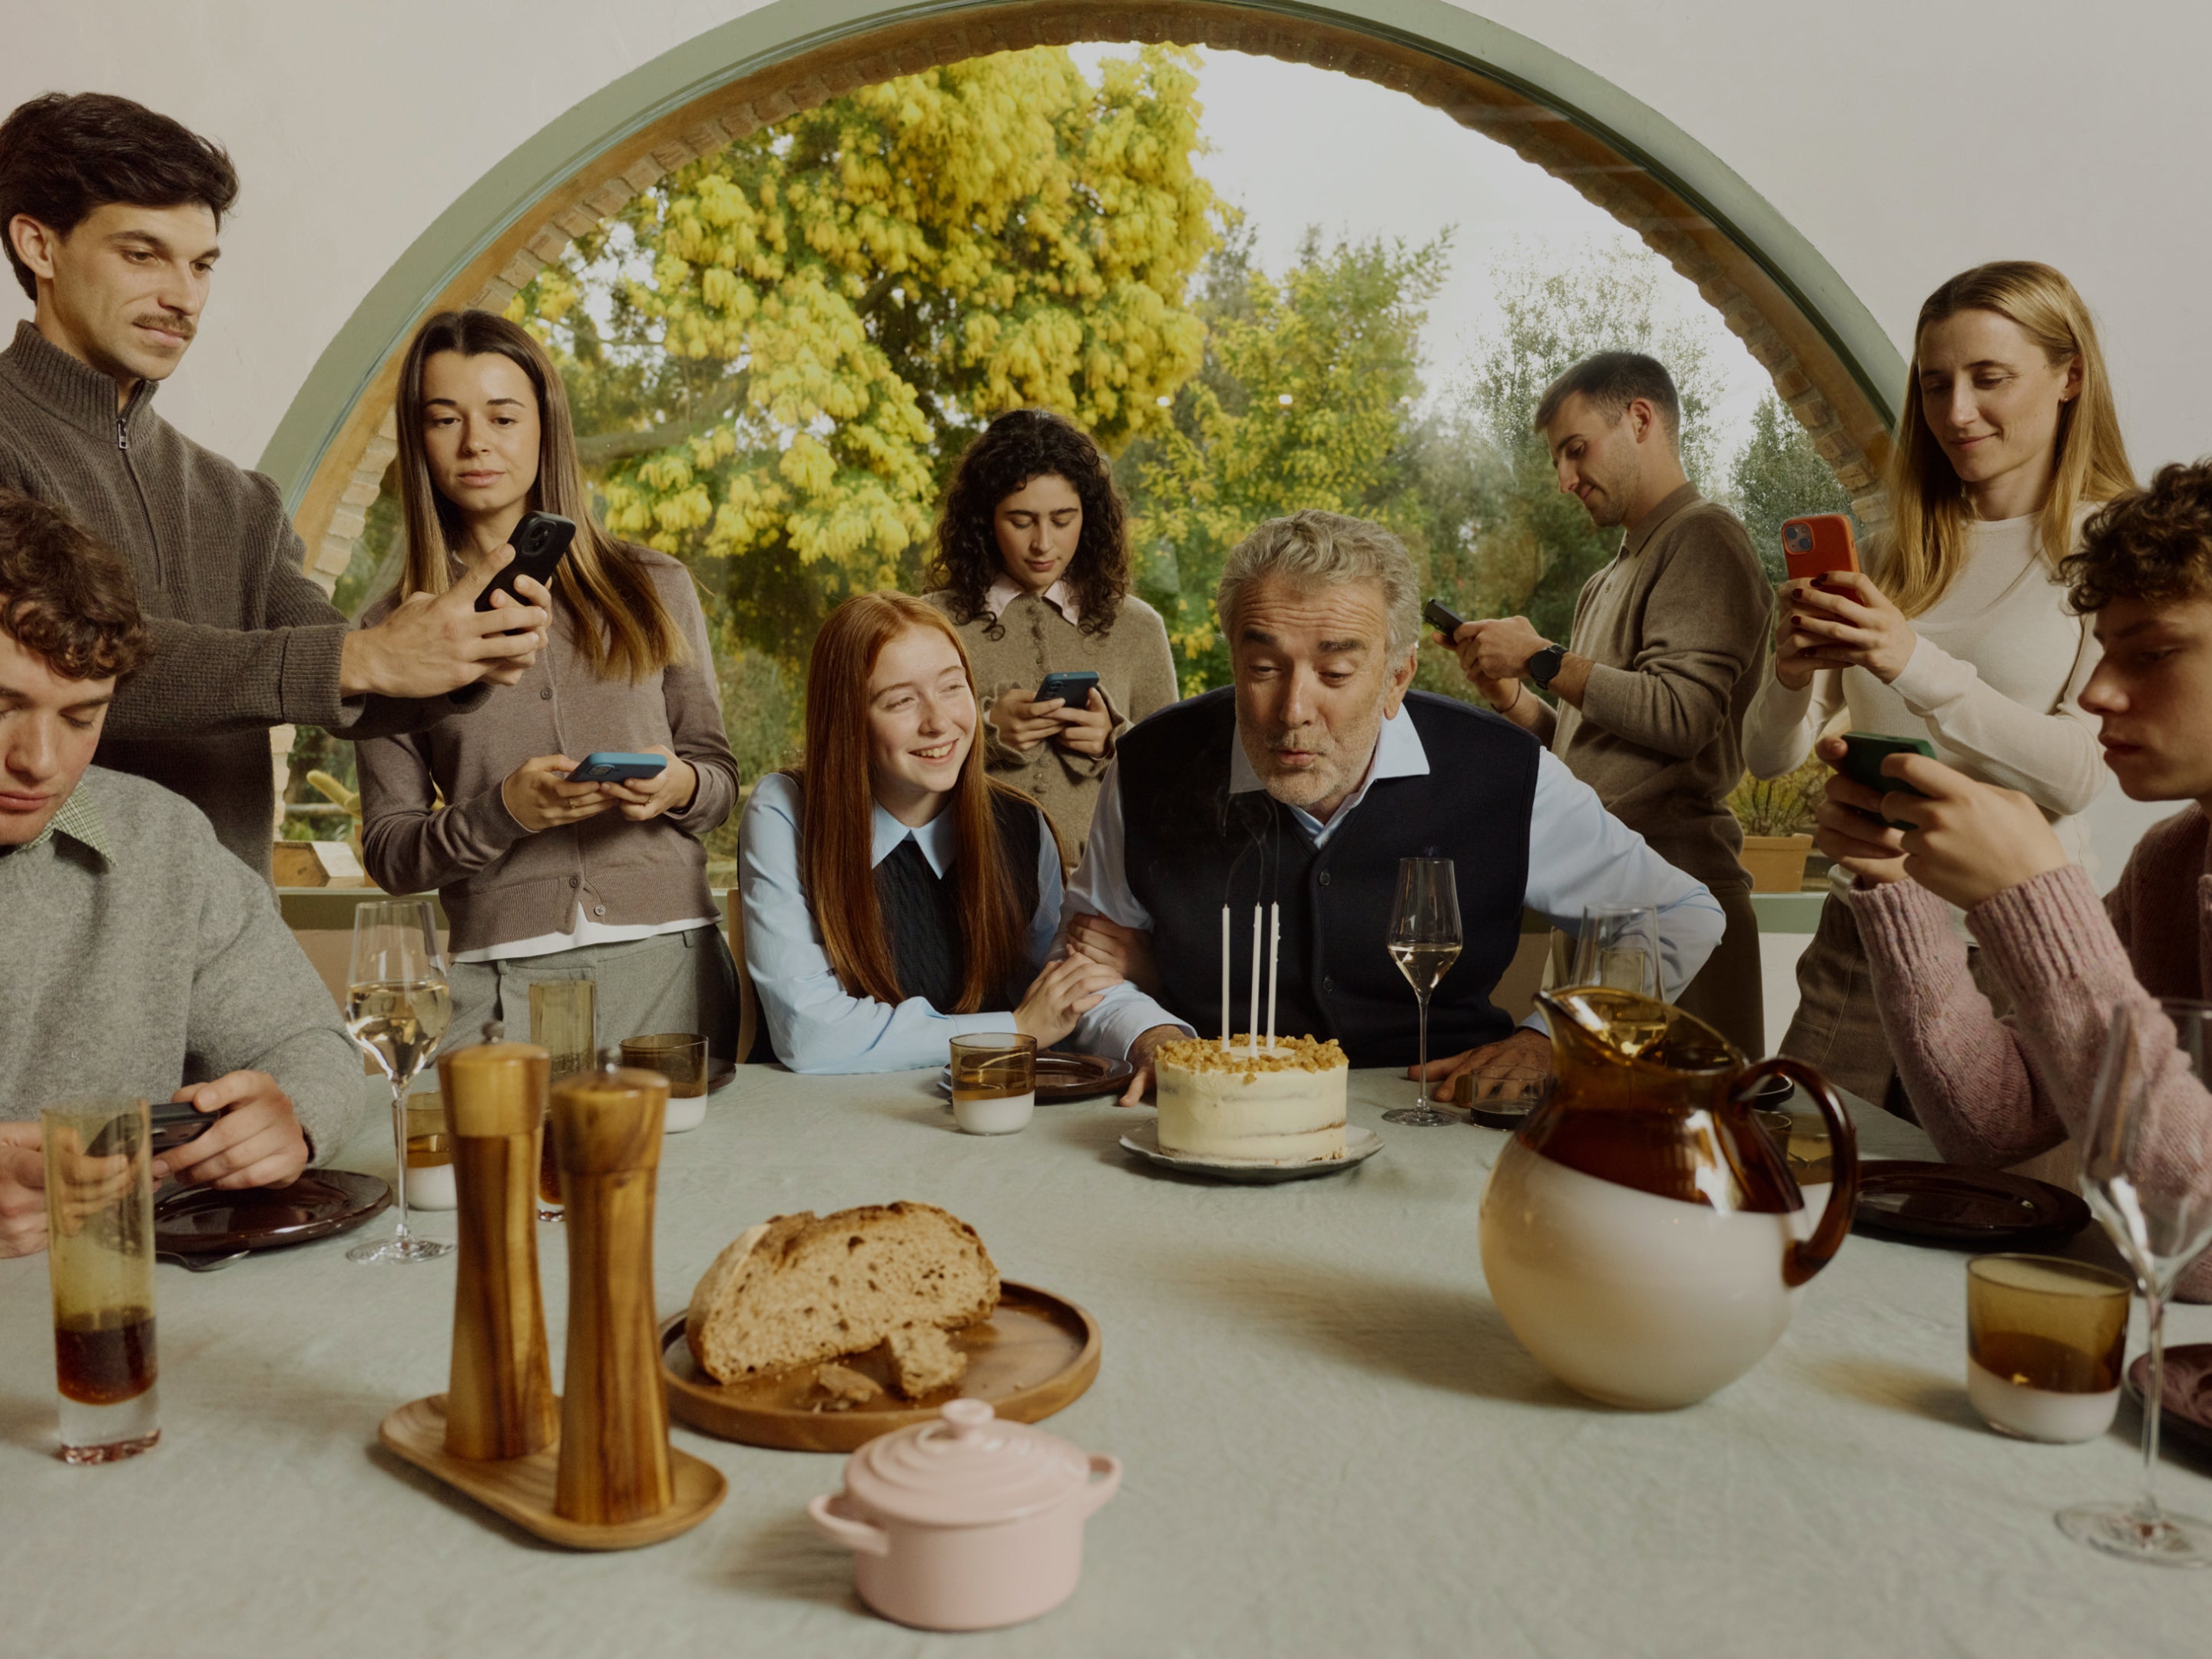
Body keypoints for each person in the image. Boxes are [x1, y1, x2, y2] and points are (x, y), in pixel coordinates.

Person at [0, 92, 551, 877]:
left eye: (201, 265)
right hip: (43, 925)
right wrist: (360, 659)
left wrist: (459, 649)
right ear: (39, 247)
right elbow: (59, 661)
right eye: (142, 255)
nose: (183, 297)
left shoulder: (238, 500)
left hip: (227, 925)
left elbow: (351, 679)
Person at [1062, 509, 1726, 1107]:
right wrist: (1151, 1036)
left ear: (1396, 677)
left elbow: (1681, 916)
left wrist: (1557, 1039)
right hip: (1215, 1112)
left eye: (1335, 674)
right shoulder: (1150, 765)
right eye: (1263, 668)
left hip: (1441, 1112)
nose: (1293, 711)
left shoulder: (1502, 769)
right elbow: (1084, 965)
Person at [1741, 260, 2131, 1108]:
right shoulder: (1892, 552)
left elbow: (2078, 775)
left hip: (2011, 950)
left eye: (1990, 379)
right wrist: (1790, 674)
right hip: (1858, 939)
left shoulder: (2114, 544)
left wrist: (1909, 659)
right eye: (1935, 384)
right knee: (1799, 1175)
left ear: (2069, 377)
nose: (1956, 412)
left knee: (1981, 1189)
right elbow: (1769, 759)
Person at [1819, 460, 2212, 1300]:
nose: (2098, 693)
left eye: (2153, 653)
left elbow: (2198, 1241)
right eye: (2106, 651)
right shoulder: (2171, 862)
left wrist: (2037, 901)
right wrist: (1898, 887)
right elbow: (1993, 1124)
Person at [354, 312, 741, 1055]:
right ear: (419, 438)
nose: (476, 442)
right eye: (445, 419)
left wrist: (678, 785)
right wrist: (503, 813)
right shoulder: (393, 634)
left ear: (545, 428)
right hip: (494, 987)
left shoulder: (655, 585)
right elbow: (390, 853)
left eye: (503, 417)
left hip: (669, 969)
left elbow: (719, 781)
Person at [0, 489, 363, 1257]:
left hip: (136, 1299)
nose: (39, 761)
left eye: (81, 717)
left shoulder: (163, 840)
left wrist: (291, 1119)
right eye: (2, 706)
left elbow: (309, 1042)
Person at [1444, 352, 1772, 1055]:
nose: (1565, 480)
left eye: (1576, 450)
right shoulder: (1606, 580)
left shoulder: (1705, 537)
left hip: (1681, 901)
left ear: (1640, 420)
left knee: (1681, 1127)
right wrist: (1514, 699)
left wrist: (1540, 656)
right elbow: (1591, 757)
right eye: (1558, 461)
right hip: (1603, 906)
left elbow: (1683, 716)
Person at [738, 591, 1125, 1073]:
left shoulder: (1023, 825)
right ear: (846, 719)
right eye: (901, 701)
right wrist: (1012, 1030)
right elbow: (809, 1035)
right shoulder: (786, 810)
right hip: (819, 1113)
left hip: (974, 1104)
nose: (939, 723)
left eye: (952, 687)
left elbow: (1058, 1004)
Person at [923, 408, 1178, 855]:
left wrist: (1111, 741)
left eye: (1062, 520)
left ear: (1089, 517)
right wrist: (987, 731)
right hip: (968, 877)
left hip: (1103, 885)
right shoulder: (931, 623)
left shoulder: (1138, 627)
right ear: (985, 519)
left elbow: (1179, 776)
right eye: (1021, 521)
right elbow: (886, 760)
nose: (1043, 543)